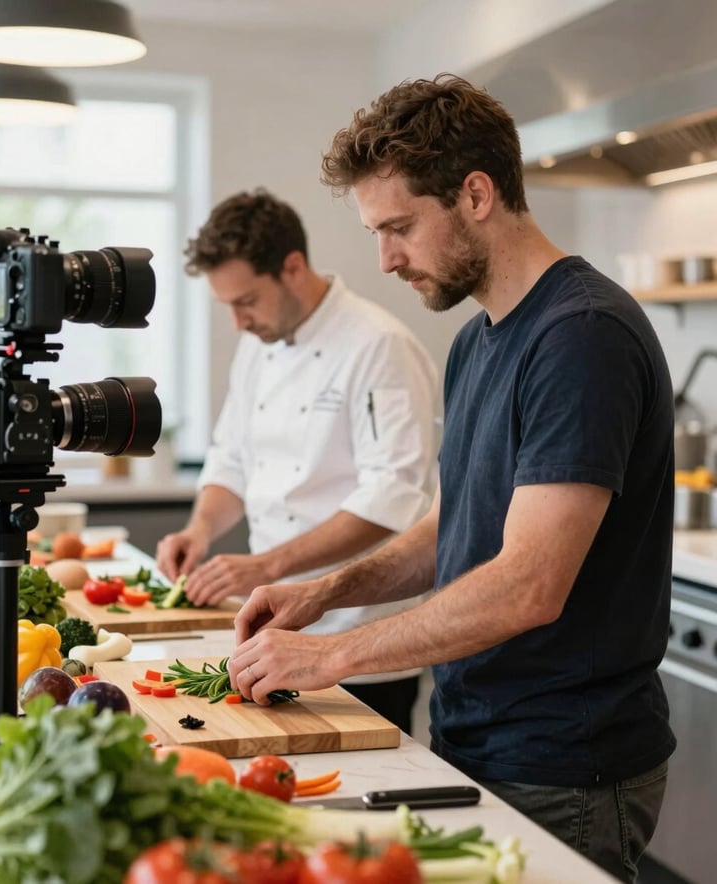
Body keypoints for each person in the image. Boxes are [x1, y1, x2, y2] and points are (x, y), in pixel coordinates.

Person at [227, 76, 676, 883]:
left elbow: (527, 585)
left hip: (566, 762)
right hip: (478, 735)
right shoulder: (478, 340)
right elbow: (455, 525)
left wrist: (332, 658)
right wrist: (326, 593)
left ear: (476, 193)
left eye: (398, 228)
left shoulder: (582, 336)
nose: (385, 259)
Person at [156, 188, 440, 734]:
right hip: (273, 633)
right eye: (228, 306)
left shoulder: (380, 345)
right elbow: (231, 460)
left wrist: (266, 566)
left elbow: (393, 500)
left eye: (245, 301)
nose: (238, 321)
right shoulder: (259, 343)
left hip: (357, 639)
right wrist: (201, 528)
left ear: (291, 267)